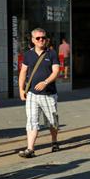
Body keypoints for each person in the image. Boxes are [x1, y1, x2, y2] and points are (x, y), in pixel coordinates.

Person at [18, 28, 60, 158]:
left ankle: (54, 141)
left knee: (52, 121)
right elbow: (23, 72)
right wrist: (21, 89)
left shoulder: (52, 53)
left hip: (48, 94)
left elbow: (56, 71)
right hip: (32, 94)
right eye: (38, 38)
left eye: (43, 38)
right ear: (33, 40)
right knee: (31, 121)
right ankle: (30, 149)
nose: (41, 40)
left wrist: (45, 82)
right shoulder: (28, 54)